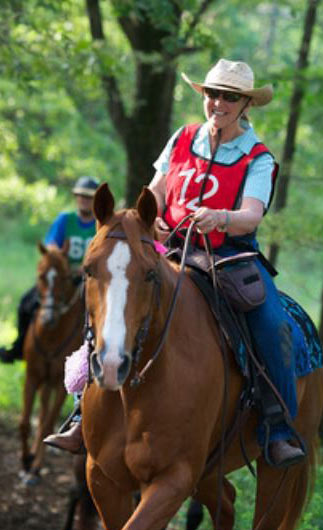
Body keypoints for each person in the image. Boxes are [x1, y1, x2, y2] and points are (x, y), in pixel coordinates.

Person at [46, 59, 304, 468]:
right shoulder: (182, 138)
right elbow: (155, 191)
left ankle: (277, 427)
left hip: (228, 259)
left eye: (229, 96)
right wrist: (156, 220)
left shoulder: (259, 158)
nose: (218, 102)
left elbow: (252, 215)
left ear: (245, 104)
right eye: (212, 94)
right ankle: (83, 411)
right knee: (115, 297)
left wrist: (221, 217)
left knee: (273, 325)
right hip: (168, 250)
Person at [0, 176, 99, 365]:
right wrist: (60, 259)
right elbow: (52, 243)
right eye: (80, 196)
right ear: (76, 197)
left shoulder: (98, 225)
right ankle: (19, 347)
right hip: (60, 276)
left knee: (96, 313)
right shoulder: (65, 220)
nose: (84, 200)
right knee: (26, 302)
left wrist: (84, 268)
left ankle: (92, 358)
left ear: (95, 200)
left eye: (88, 197)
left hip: (84, 279)